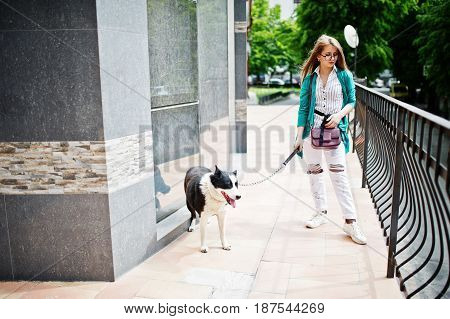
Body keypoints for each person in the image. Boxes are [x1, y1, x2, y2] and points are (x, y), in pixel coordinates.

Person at [294, 34, 367, 245]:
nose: (332, 58)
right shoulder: (310, 79)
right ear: (318, 56)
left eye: (335, 55)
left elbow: (352, 101)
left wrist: (339, 116)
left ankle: (351, 221)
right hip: (311, 134)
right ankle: (320, 213)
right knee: (314, 174)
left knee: (340, 176)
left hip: (335, 134)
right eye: (328, 54)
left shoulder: (344, 76)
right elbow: (303, 108)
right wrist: (299, 137)